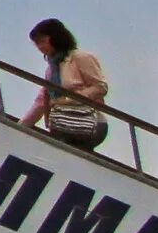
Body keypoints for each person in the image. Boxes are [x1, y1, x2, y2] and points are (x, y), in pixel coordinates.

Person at [21, 19, 110, 150]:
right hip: (62, 123)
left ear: (56, 38)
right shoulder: (50, 70)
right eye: (36, 44)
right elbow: (41, 102)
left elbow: (100, 87)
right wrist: (21, 126)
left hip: (87, 121)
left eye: (42, 41)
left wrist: (71, 99)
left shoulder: (80, 58)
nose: (40, 47)